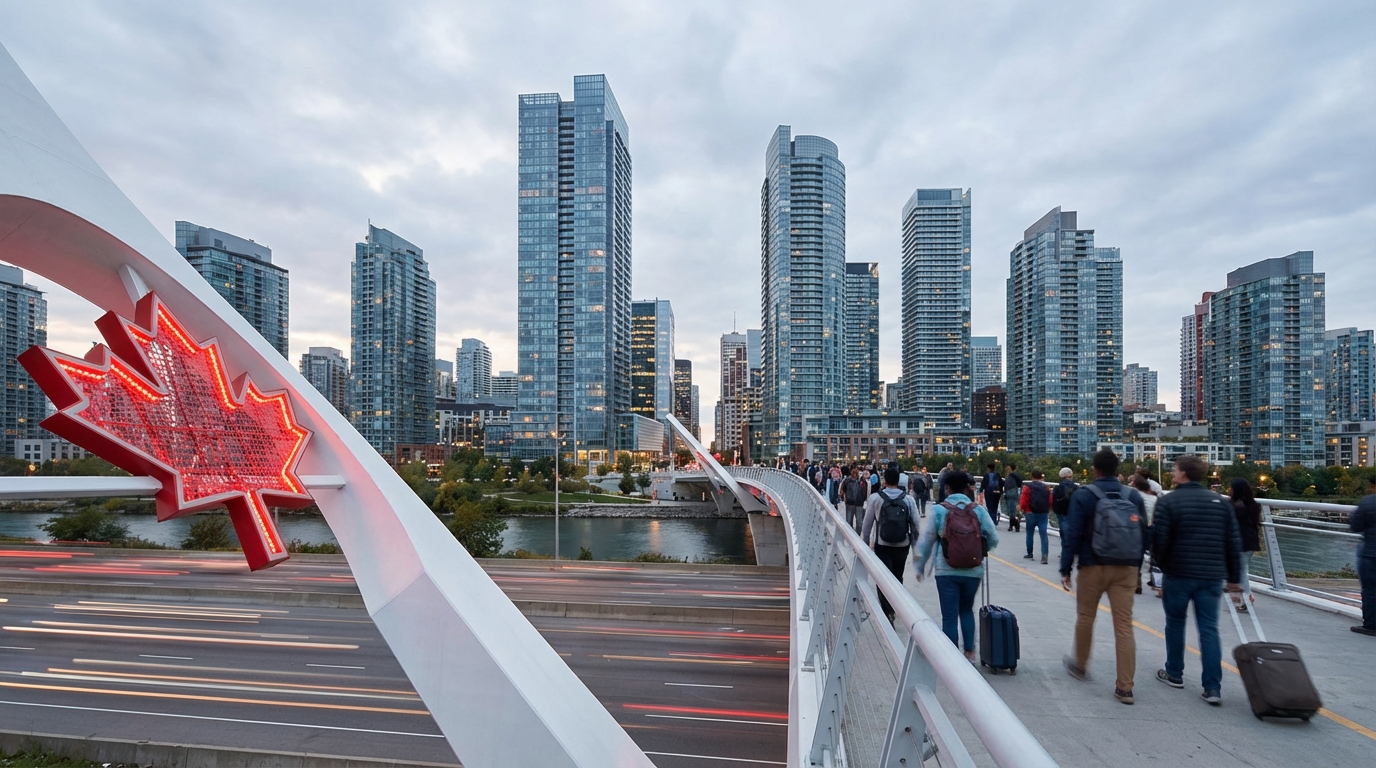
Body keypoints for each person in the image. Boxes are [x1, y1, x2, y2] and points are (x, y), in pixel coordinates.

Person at [1060, 448, 1149, 705]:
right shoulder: (1133, 494)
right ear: (1117, 470)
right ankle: (1125, 688)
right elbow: (1143, 531)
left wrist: (1066, 568)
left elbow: (1073, 535)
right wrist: (1135, 562)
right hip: (1126, 568)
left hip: (1092, 566)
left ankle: (1081, 665)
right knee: (1124, 625)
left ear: (1095, 470)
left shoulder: (1085, 495)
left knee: (1086, 617)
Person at [1151, 454, 1242, 706]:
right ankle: (1212, 687)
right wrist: (1233, 578)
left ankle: (1174, 673)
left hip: (1178, 574)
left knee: (1175, 623)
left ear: (1183, 474)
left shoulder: (1169, 502)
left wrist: (1163, 566)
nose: (1172, 473)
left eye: (1175, 469)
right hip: (1212, 576)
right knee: (1209, 629)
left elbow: (1159, 540)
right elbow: (1233, 543)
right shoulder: (1221, 503)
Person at [914, 470, 999, 663]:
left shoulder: (939, 510)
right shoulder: (978, 510)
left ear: (946, 488)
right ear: (967, 488)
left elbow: (926, 541)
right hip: (973, 570)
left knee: (949, 616)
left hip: (946, 571)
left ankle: (951, 660)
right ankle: (970, 653)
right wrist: (979, 548)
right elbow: (994, 538)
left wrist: (919, 567)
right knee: (966, 610)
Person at [861, 467, 922, 623]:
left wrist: (864, 547)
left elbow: (866, 526)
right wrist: (916, 549)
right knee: (897, 577)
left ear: (884, 480)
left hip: (883, 544)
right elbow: (916, 526)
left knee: (883, 578)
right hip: (903, 545)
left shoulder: (875, 498)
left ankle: (887, 611)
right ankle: (894, 607)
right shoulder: (908, 500)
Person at [1228, 478, 1260, 613]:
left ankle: (1246, 598)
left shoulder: (1232, 505)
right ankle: (1244, 596)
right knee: (1242, 570)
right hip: (1251, 540)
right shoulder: (1254, 505)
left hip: (1237, 541)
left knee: (1240, 572)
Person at [1349, 477, 1376, 636]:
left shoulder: (1367, 502)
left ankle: (1371, 625)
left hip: (1370, 552)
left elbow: (1355, 526)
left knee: (1370, 590)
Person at [1131, 475, 1158, 596]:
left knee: (1131, 554)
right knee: (1140, 555)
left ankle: (1134, 580)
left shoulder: (1134, 496)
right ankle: (1137, 580)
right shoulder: (1154, 499)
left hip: (1134, 529)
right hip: (1148, 529)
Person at [1020, 469, 1053, 563]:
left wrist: (1024, 509)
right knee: (1043, 534)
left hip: (1031, 513)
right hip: (1043, 513)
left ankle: (1030, 553)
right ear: (1041, 477)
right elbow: (1050, 500)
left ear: (1032, 477)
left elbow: (1024, 500)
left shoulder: (1028, 487)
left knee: (1030, 533)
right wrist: (1048, 509)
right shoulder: (1046, 488)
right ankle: (1044, 555)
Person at [841, 466, 868, 532]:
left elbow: (842, 490)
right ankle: (855, 535)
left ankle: (853, 535)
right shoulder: (862, 482)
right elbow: (866, 492)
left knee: (851, 521)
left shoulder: (847, 480)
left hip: (852, 503)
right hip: (856, 503)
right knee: (857, 522)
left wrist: (844, 498)